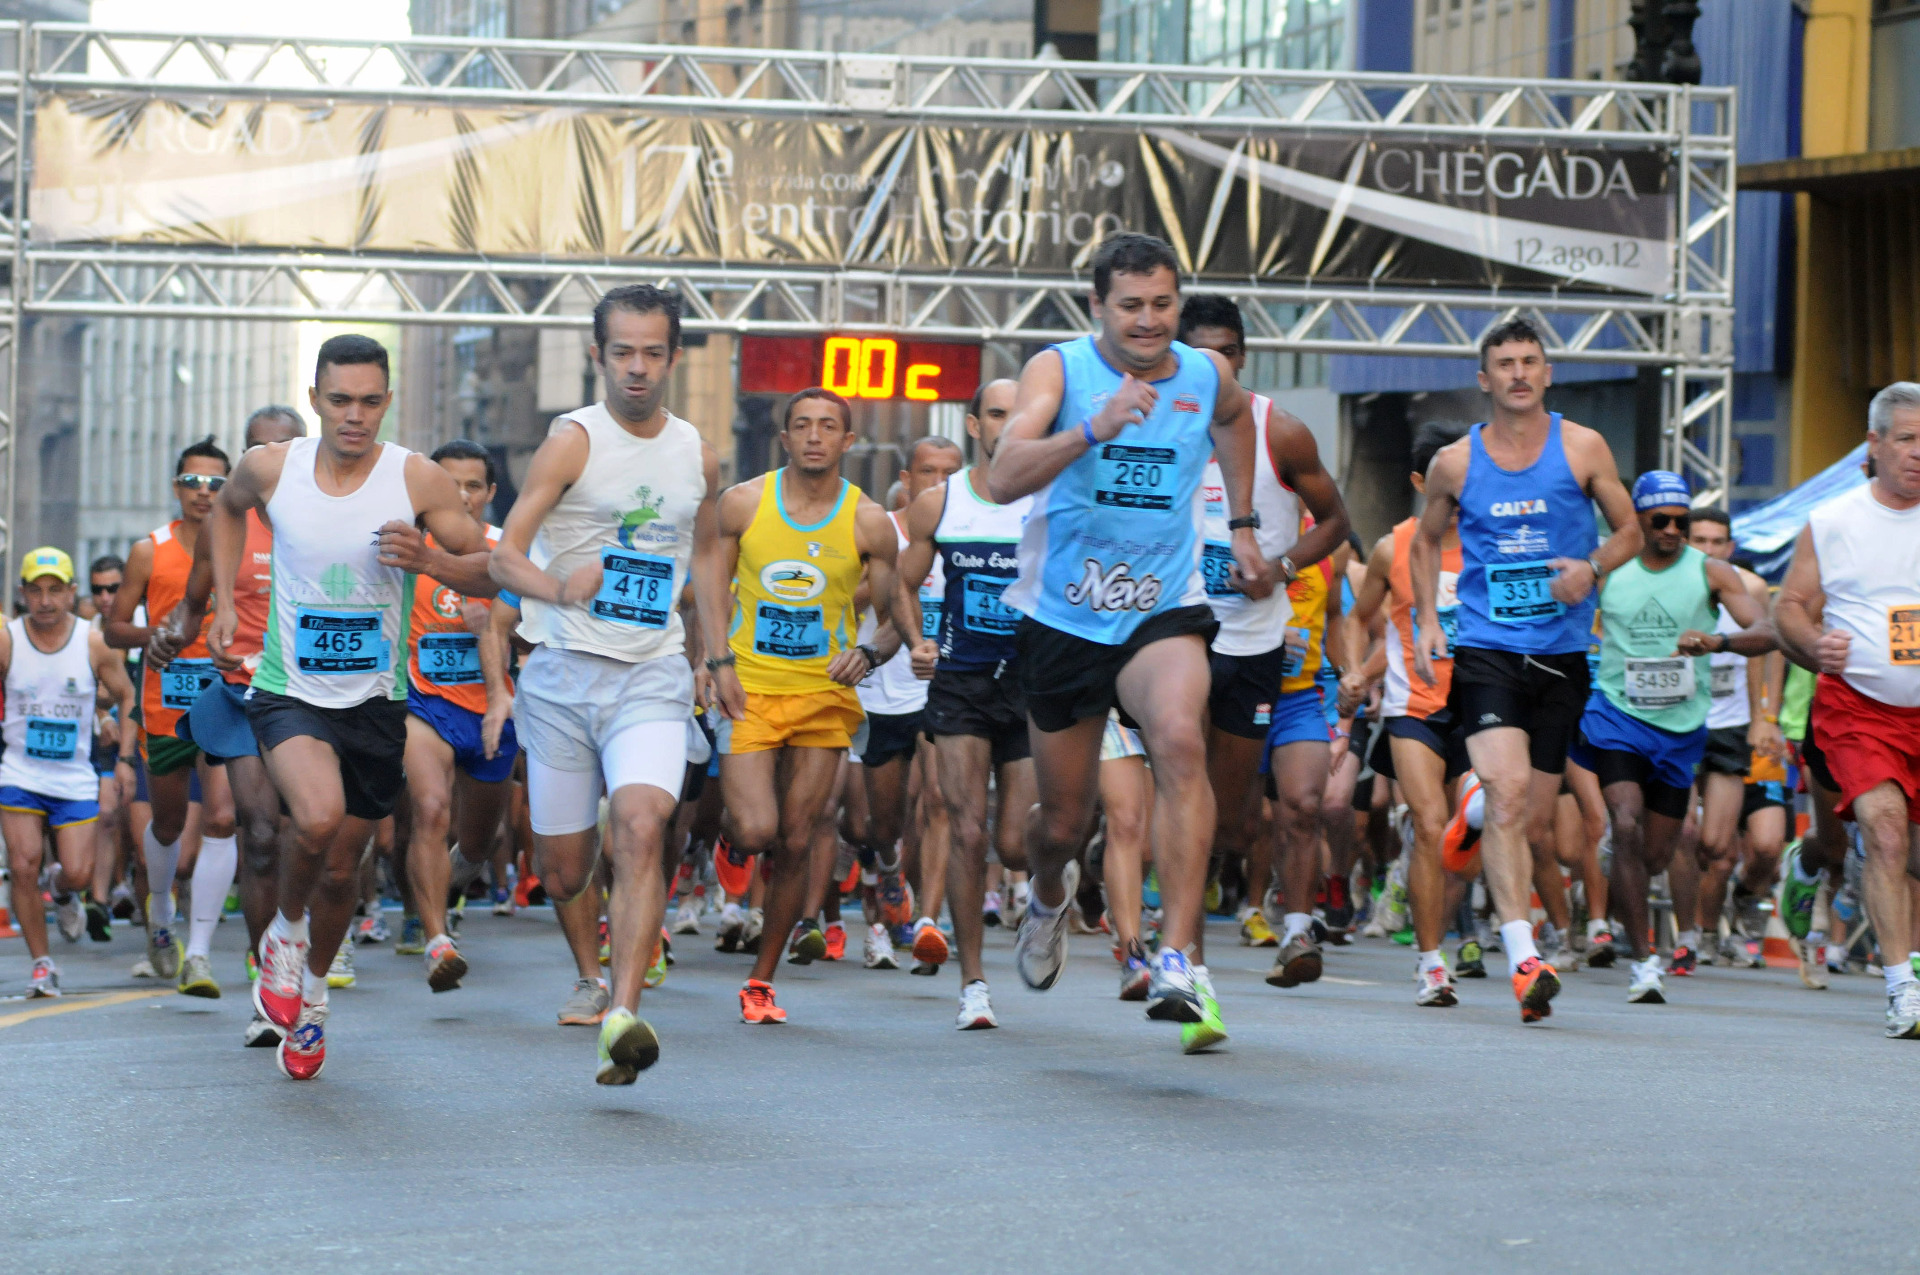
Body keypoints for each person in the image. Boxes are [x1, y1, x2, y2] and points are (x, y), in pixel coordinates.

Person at [989, 231, 1267, 1035]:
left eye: (1163, 304)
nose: (1149, 322)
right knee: (1064, 822)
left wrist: (1242, 522)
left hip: (1160, 606)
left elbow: (1237, 421)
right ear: (1097, 307)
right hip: (1065, 615)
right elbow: (1005, 476)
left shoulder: (1204, 373)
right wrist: (1095, 428)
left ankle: (1177, 957)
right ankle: (1047, 895)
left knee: (1181, 740)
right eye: (1131, 306)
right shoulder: (1059, 370)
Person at [209, 334, 485, 1081]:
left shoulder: (417, 478)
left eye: (368, 401)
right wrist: (224, 600)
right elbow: (226, 512)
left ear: (386, 402)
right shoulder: (273, 466)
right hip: (288, 688)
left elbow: (485, 570)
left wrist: (432, 560)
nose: (354, 415)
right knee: (318, 817)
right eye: (339, 400)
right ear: (315, 399)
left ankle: (313, 999)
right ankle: (284, 938)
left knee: (341, 868)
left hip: (376, 701)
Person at [490, 285, 718, 1082]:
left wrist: (713, 655)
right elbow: (504, 554)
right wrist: (556, 587)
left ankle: (623, 1011)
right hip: (558, 675)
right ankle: (589, 970)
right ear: (598, 355)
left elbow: (710, 552)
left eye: (653, 351)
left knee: (642, 822)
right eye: (622, 351)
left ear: (673, 357)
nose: (637, 367)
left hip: (650, 672)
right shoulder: (571, 442)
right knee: (561, 867)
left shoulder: (696, 451)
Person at [1410, 316, 1642, 1024]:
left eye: (1529, 361)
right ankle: (1523, 955)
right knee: (1511, 793)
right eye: (1504, 363)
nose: (1517, 372)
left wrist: (1592, 566)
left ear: (1548, 373)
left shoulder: (1583, 447)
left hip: (1563, 655)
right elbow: (1424, 541)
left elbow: (1630, 530)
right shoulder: (1455, 461)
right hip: (1487, 650)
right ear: (1485, 380)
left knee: (1530, 815)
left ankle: (1472, 812)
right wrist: (1426, 620)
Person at [695, 386, 897, 1026]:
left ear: (847, 441)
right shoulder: (744, 504)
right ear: (785, 439)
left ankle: (762, 979)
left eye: (828, 426)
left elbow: (897, 622)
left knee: (797, 838)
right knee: (755, 829)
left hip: (823, 699)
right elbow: (710, 593)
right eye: (802, 425)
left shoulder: (867, 522)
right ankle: (728, 841)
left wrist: (868, 656)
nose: (815, 436)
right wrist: (713, 660)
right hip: (748, 688)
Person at [1174, 297, 1351, 983]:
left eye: (1227, 352)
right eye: (1202, 354)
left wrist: (1280, 567)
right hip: (1180, 638)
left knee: (1234, 823)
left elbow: (1335, 521)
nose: (1216, 365)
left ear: (1243, 357)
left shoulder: (1282, 431)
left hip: (1258, 646)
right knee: (1181, 790)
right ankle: (1179, 951)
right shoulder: (1163, 425)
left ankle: (1222, 879)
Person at [1569, 471, 1770, 1004]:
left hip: (1681, 731)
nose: (1674, 531)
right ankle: (1644, 962)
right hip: (1616, 718)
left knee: (1656, 854)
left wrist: (1717, 639)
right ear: (1637, 519)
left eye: (1682, 521)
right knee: (1626, 822)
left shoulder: (1712, 573)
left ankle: (1618, 886)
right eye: (1661, 520)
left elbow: (1767, 631)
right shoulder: (1609, 569)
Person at [150, 405, 307, 1045]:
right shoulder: (228, 522)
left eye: (283, 445)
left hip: (320, 697)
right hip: (246, 693)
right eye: (257, 447)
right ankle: (267, 986)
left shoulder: (332, 519)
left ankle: (304, 955)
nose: (268, 456)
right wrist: (170, 636)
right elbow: (191, 606)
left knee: (317, 839)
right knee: (261, 833)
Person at [1773, 382, 1920, 1038]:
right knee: (1884, 833)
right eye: (1908, 439)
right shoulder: (1834, 520)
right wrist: (1814, 644)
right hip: (1858, 706)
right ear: (1875, 443)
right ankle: (1901, 989)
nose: (1919, 454)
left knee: (1913, 853)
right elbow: (1788, 606)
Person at [895, 379, 1037, 1028]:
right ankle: (973, 983)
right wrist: (916, 640)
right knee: (967, 828)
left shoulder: (1050, 501)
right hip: (960, 682)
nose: (1010, 424)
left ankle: (1047, 893)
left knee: (1015, 842)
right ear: (975, 425)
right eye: (998, 413)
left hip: (1033, 687)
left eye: (1021, 413)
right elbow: (901, 585)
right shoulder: (941, 504)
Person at [104, 437, 241, 997]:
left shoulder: (246, 546)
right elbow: (113, 629)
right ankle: (161, 915)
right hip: (164, 706)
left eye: (215, 484)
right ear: (176, 487)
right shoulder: (148, 551)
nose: (203, 493)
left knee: (222, 817)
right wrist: (156, 635)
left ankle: (200, 954)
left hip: (227, 698)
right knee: (165, 829)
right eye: (193, 482)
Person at [1344, 421, 1473, 1006]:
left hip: (1481, 702)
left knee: (1468, 829)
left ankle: (1440, 918)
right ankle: (1431, 964)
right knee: (1428, 824)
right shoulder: (1393, 547)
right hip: (1414, 705)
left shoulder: (1493, 543)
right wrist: (1354, 670)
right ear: (1423, 482)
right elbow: (1358, 618)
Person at [382, 439, 516, 995]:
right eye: (449, 484)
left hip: (490, 706)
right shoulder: (403, 543)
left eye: (472, 486)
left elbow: (533, 623)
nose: (460, 495)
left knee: (480, 840)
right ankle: (436, 938)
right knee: (431, 810)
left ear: (488, 494)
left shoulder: (506, 549)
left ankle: (451, 884)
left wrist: (493, 619)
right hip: (421, 698)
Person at [2, 548, 136, 996]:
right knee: (22, 865)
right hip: (20, 770)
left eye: (55, 590)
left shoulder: (91, 642)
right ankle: (43, 965)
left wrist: (124, 758)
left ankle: (60, 891)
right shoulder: (8, 639)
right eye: (36, 591)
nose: (45, 601)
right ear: (22, 594)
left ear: (70, 592)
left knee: (78, 873)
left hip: (73, 774)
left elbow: (127, 694)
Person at [853, 434, 961, 974]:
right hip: (881, 691)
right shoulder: (880, 531)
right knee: (883, 822)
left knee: (941, 801)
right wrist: (881, 583)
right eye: (927, 472)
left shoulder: (970, 532)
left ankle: (928, 922)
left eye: (948, 473)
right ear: (906, 479)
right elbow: (839, 596)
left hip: (944, 690)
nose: (937, 484)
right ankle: (890, 873)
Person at [1674, 507, 1786, 968]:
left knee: (1717, 846)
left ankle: (1715, 920)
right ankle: (1689, 936)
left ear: (1731, 547)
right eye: (1699, 539)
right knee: (1682, 832)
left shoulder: (1751, 588)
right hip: (1679, 720)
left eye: (1717, 541)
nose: (1708, 549)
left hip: (1732, 723)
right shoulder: (1671, 581)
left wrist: (1767, 715)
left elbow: (1771, 650)